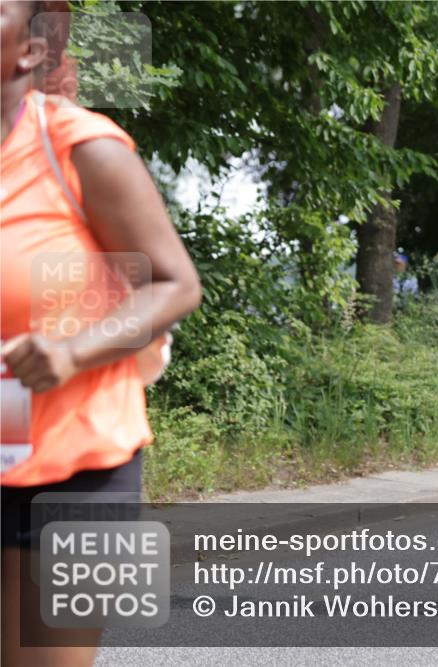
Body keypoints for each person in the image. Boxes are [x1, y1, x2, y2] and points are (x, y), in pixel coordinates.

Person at [1, 2, 202, 664]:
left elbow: (176, 284)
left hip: (77, 463)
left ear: (30, 52)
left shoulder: (83, 148)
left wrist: (70, 351)